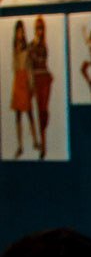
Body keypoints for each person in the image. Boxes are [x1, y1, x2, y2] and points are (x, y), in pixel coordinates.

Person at [10, 20, 35, 158]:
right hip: (17, 79)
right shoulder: (15, 47)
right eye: (17, 31)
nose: (20, 34)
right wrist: (17, 52)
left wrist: (31, 84)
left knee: (29, 112)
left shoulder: (27, 48)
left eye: (21, 31)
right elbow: (14, 66)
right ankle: (20, 145)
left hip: (25, 79)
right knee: (18, 115)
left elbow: (29, 67)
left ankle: (35, 140)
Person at [28, 16, 52, 159]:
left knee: (44, 111)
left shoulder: (44, 45)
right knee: (38, 110)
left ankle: (44, 143)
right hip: (37, 78)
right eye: (38, 28)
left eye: (41, 28)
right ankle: (42, 144)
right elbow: (32, 64)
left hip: (45, 77)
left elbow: (43, 61)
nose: (40, 31)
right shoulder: (32, 45)